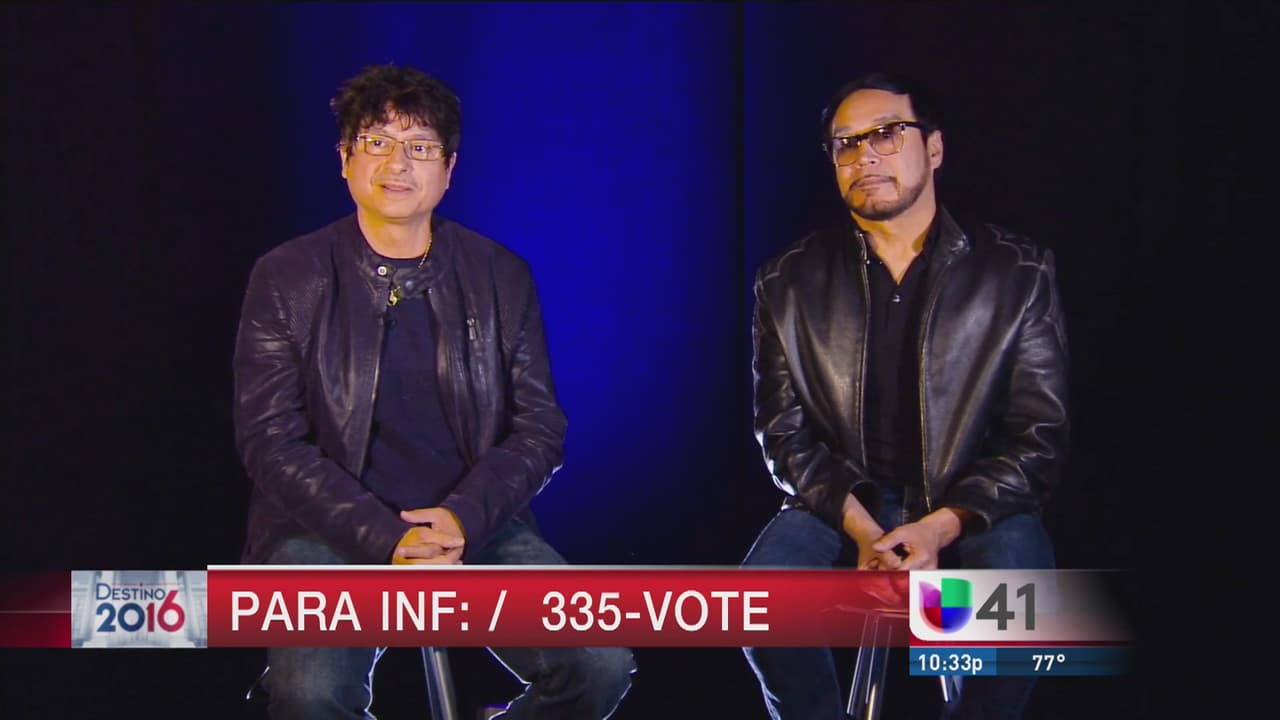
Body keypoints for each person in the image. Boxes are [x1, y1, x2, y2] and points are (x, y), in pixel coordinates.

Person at [232, 63, 635, 720]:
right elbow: (269, 440)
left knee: (599, 663)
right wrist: (382, 536)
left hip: (469, 524)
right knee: (310, 696)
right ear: (344, 158)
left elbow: (540, 426)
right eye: (377, 142)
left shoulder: (500, 274)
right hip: (323, 528)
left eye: (420, 147)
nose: (398, 163)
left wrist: (463, 518)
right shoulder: (287, 276)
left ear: (449, 168)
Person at [741, 72, 1069, 719]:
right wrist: (866, 530)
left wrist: (939, 526)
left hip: (971, 498)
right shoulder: (787, 280)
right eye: (847, 143)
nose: (865, 155)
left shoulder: (1017, 269)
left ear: (934, 148)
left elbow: (1038, 436)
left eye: (887, 134)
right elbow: (782, 434)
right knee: (762, 604)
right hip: (845, 501)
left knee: (1021, 617)